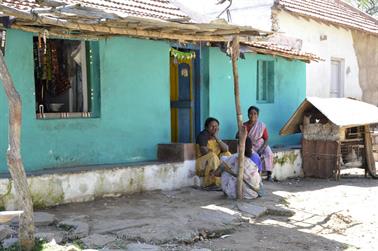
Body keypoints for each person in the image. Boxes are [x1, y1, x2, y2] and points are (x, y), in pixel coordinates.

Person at [213, 126, 262, 199]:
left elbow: (217, 173)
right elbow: (259, 173)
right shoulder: (256, 156)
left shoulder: (236, 157)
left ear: (239, 146)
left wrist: (223, 170)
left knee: (224, 163)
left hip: (241, 193)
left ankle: (226, 192)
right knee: (230, 165)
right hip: (253, 193)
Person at [196, 117, 231, 188]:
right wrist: (213, 153)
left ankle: (229, 180)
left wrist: (216, 138)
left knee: (227, 154)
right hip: (202, 163)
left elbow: (226, 149)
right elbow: (204, 151)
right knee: (213, 156)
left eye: (216, 126)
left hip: (214, 160)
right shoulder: (203, 135)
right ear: (206, 127)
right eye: (212, 126)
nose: (214, 128)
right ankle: (211, 183)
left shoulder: (216, 137)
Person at [243, 106, 274, 181]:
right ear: (248, 115)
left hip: (261, 144)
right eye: (251, 113)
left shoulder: (261, 125)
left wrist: (262, 148)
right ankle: (256, 174)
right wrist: (243, 133)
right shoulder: (244, 125)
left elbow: (266, 139)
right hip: (250, 145)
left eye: (255, 114)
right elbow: (237, 135)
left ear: (258, 115)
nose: (253, 115)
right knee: (254, 156)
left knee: (269, 153)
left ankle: (269, 174)